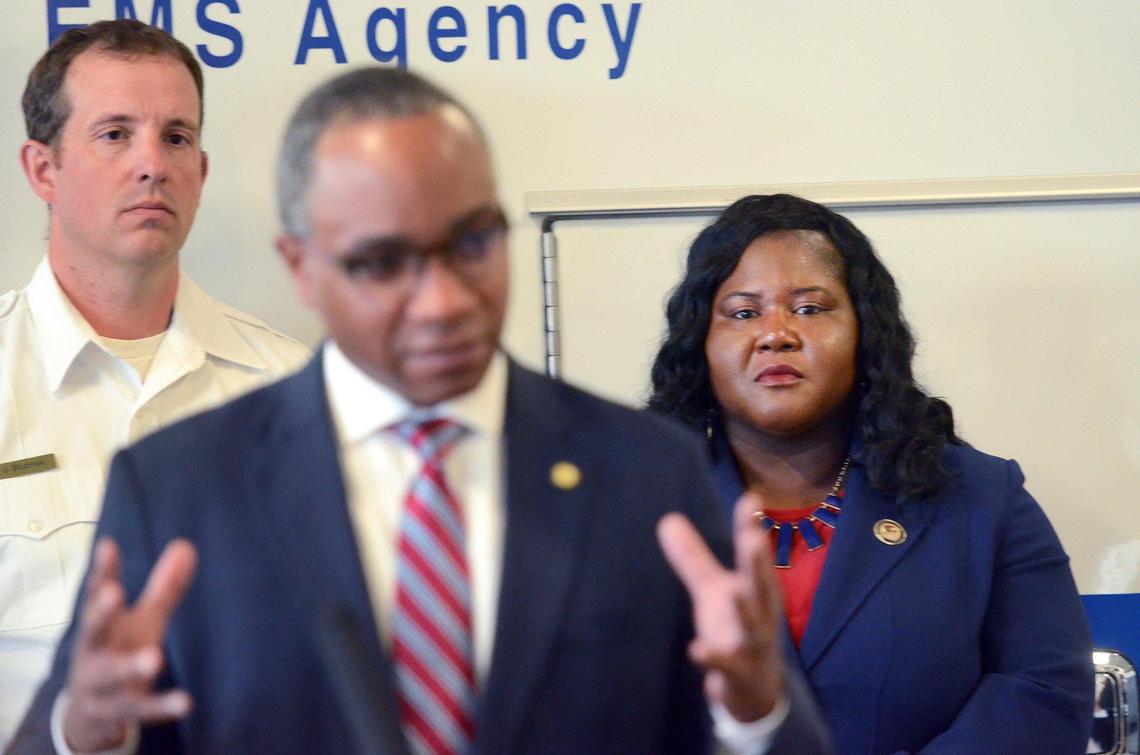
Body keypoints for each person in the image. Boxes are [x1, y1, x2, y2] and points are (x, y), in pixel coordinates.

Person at [8, 70, 832, 754]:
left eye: (472, 243)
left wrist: (755, 711)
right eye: (382, 263)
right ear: (301, 267)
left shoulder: (647, 471)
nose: (442, 301)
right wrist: (85, 732)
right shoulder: (181, 485)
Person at [648, 193, 1095, 752]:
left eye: (810, 309)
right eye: (743, 313)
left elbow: (1046, 693)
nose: (776, 333)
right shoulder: (636, 510)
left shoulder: (982, 498)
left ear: (866, 333)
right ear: (700, 344)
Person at [0, 20, 309, 747]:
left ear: (200, 170)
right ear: (43, 170)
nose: (153, 165)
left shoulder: (290, 388)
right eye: (115, 134)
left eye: (176, 138)